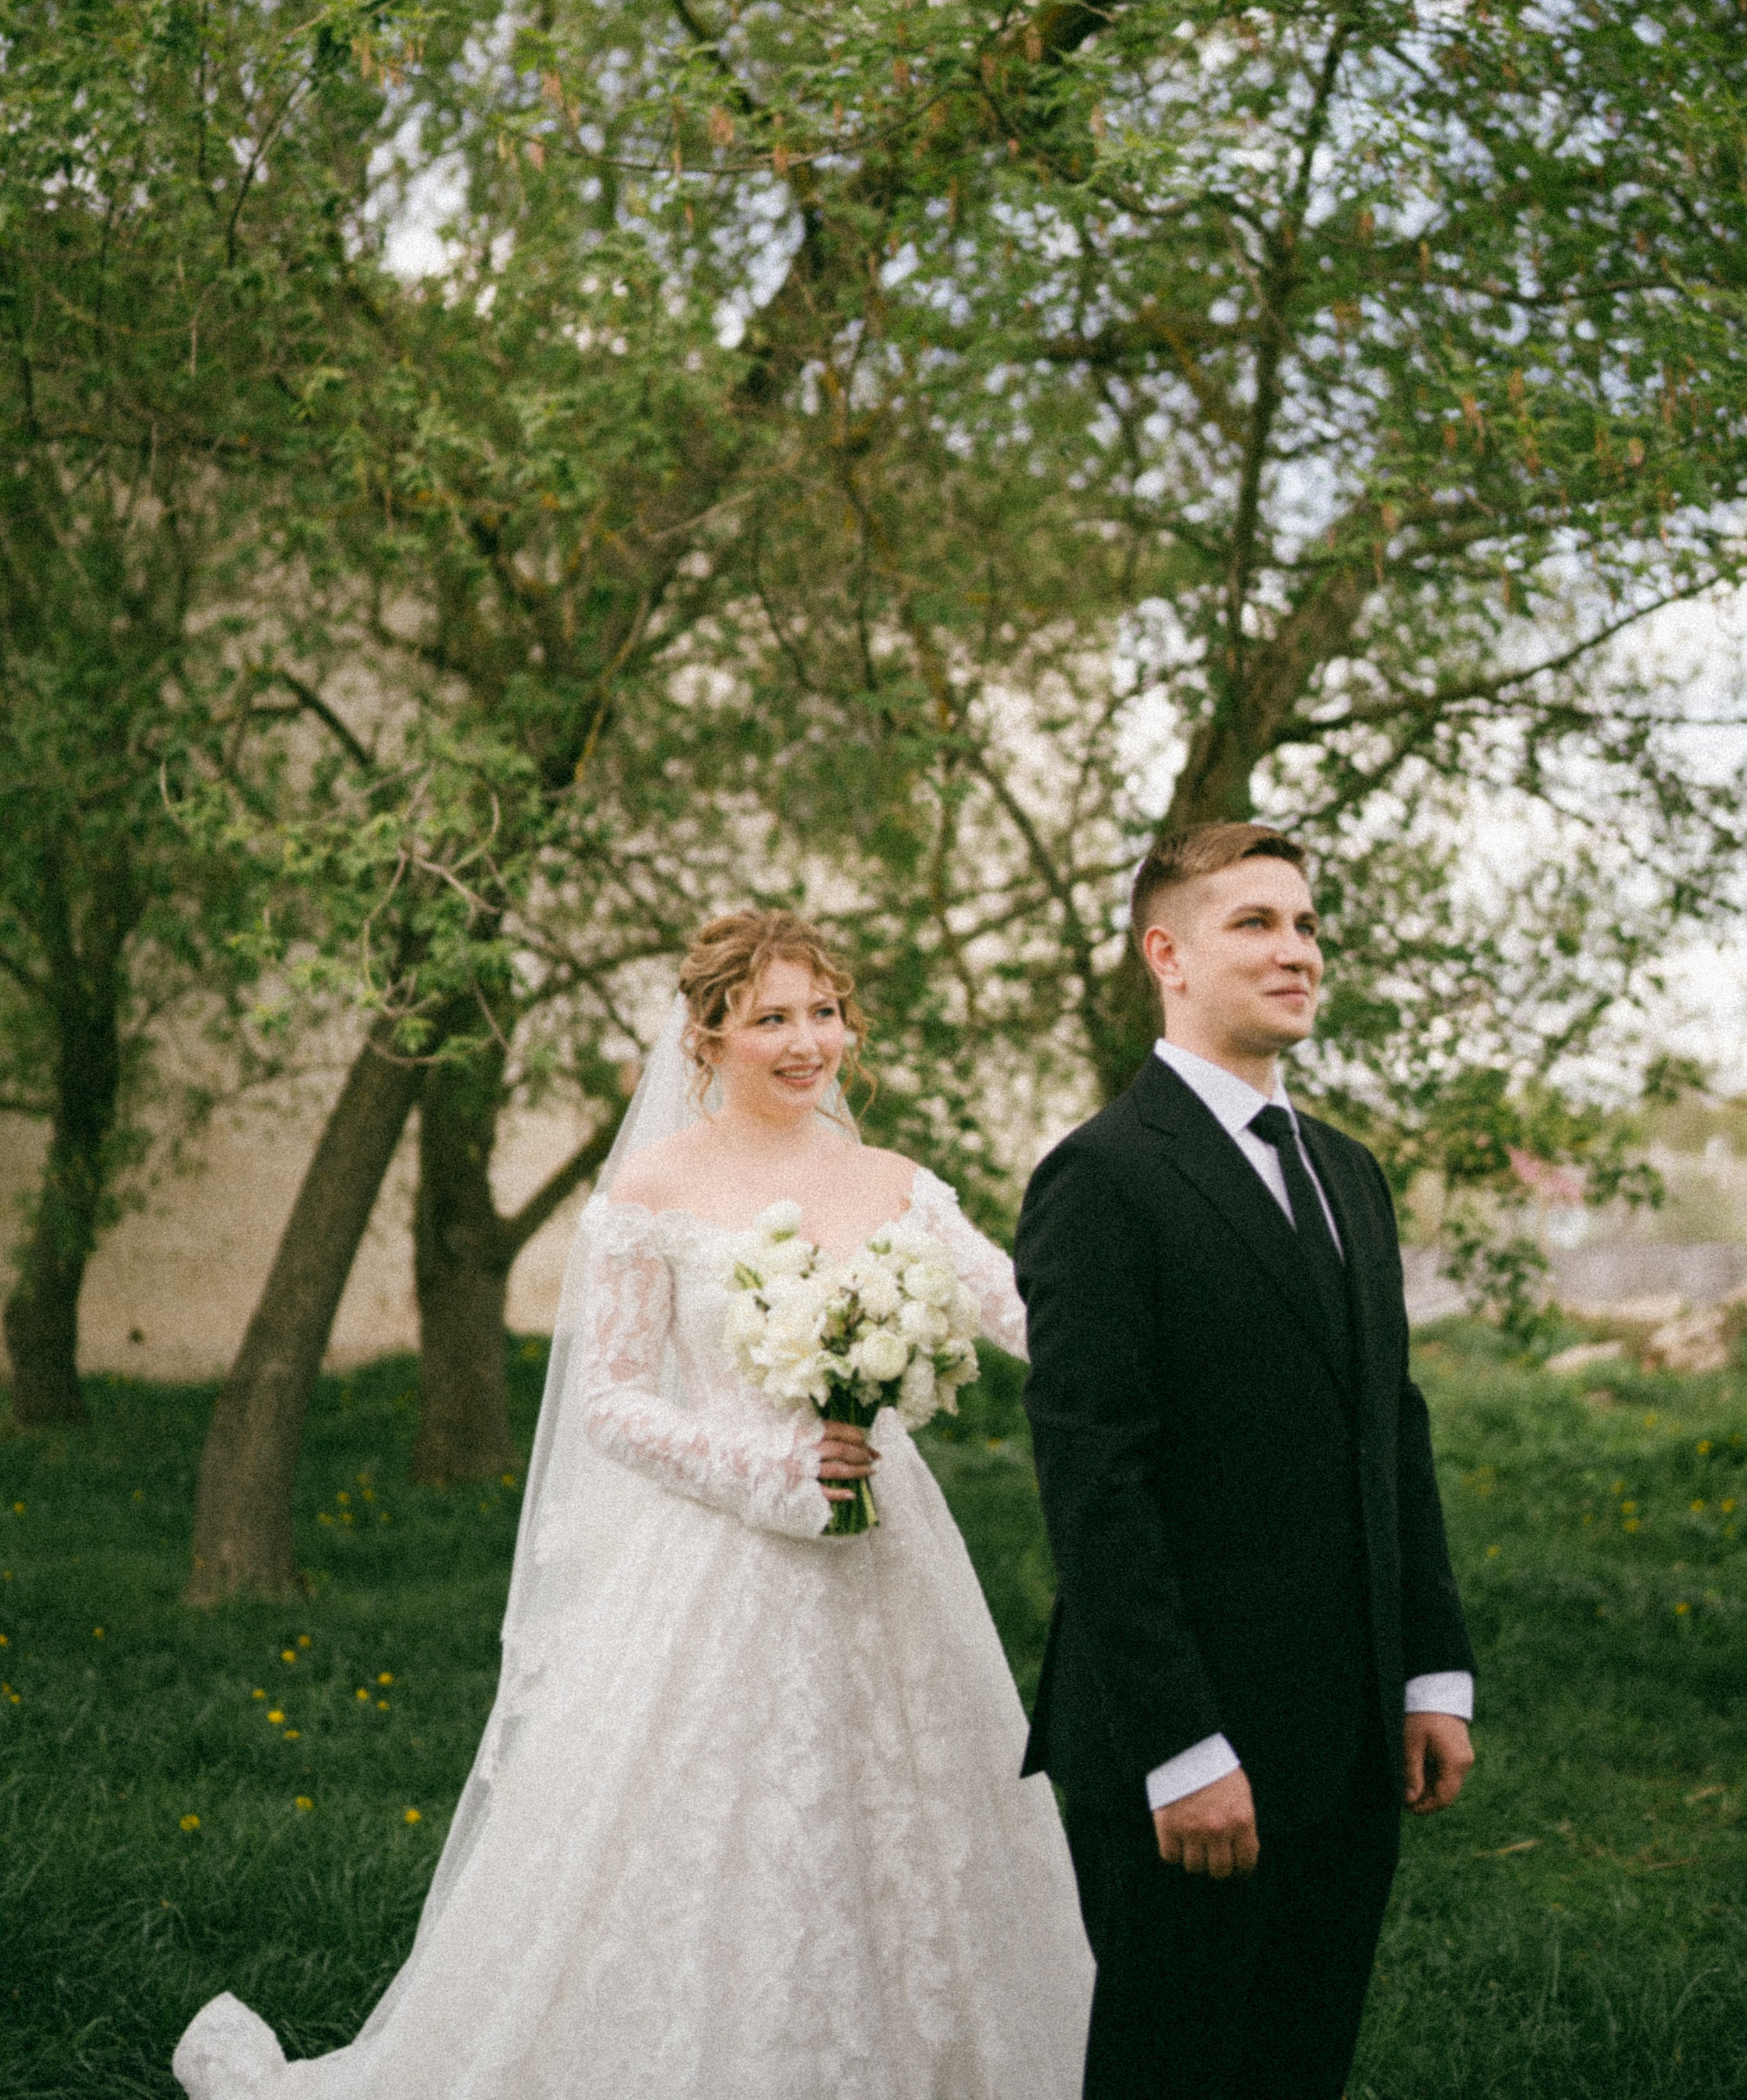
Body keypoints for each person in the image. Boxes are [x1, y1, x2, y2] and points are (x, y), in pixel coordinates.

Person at [174, 908, 1093, 2100]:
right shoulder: (656, 1188)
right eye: (772, 1018)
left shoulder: (900, 1186)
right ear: (707, 1035)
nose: (808, 1041)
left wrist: (1151, 1341)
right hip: (719, 1561)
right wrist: (770, 1478)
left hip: (884, 1555)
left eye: (825, 1012)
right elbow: (610, 1399)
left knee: (910, 1829)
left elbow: (1028, 1319)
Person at [1015, 824, 1476, 2100]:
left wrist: (1432, 1668)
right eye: (1256, 924)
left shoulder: (1351, 1172)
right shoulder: (1100, 1178)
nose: (1297, 952)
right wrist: (1182, 1746)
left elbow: (1393, 1424)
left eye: (1309, 925)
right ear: (1167, 954)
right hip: (1190, 1755)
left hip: (1353, 1739)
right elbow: (1094, 1481)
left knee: (1297, 2070)